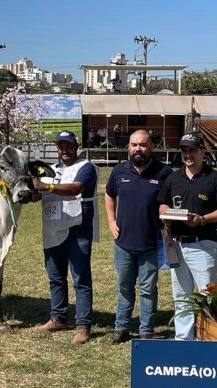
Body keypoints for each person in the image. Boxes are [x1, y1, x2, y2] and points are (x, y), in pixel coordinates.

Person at [157, 133, 217, 340]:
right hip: (177, 245)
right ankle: (183, 339)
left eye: (192, 150)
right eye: (184, 150)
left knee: (208, 295)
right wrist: (166, 216)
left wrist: (202, 219)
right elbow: (163, 203)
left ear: (203, 151)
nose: (188, 154)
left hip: (203, 245)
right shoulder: (174, 177)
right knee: (181, 295)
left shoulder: (216, 178)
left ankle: (211, 338)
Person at [105, 130, 173, 343]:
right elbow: (109, 194)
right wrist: (111, 220)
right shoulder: (119, 171)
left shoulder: (164, 172)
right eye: (134, 145)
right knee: (124, 287)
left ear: (151, 147)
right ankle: (121, 328)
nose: (138, 149)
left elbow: (171, 200)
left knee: (147, 289)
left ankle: (146, 330)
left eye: (142, 145)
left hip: (150, 243)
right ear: (128, 148)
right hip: (123, 243)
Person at [33, 130, 99, 344]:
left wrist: (46, 186)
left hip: (77, 229)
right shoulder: (49, 170)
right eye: (61, 146)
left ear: (76, 146)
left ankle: (83, 325)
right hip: (52, 230)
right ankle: (58, 317)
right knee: (55, 277)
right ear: (57, 148)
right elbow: (37, 196)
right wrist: (31, 189)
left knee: (81, 279)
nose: (65, 150)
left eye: (69, 145)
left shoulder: (86, 167)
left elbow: (76, 188)